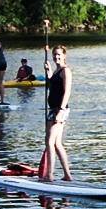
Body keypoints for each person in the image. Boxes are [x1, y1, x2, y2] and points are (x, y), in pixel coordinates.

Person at [39, 45, 73, 182]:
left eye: (59, 55)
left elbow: (67, 92)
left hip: (59, 110)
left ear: (64, 56)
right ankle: (67, 175)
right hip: (53, 109)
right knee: (57, 143)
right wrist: (49, 73)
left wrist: (61, 111)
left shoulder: (66, 71)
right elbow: (52, 87)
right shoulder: (57, 71)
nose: (56, 57)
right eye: (54, 55)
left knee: (49, 141)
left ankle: (50, 175)